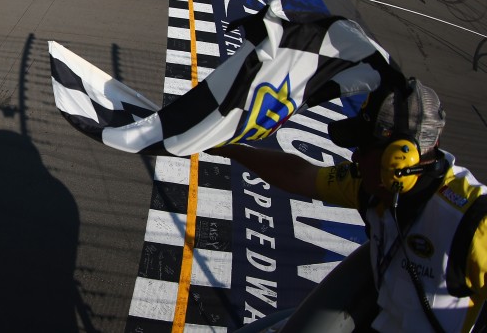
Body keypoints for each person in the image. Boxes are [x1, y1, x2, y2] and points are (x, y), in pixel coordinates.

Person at [208, 77, 486, 332]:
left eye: (363, 147)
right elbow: (298, 175)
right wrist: (223, 146)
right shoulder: (370, 186)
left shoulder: (473, 221)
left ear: (398, 160)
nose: (354, 158)